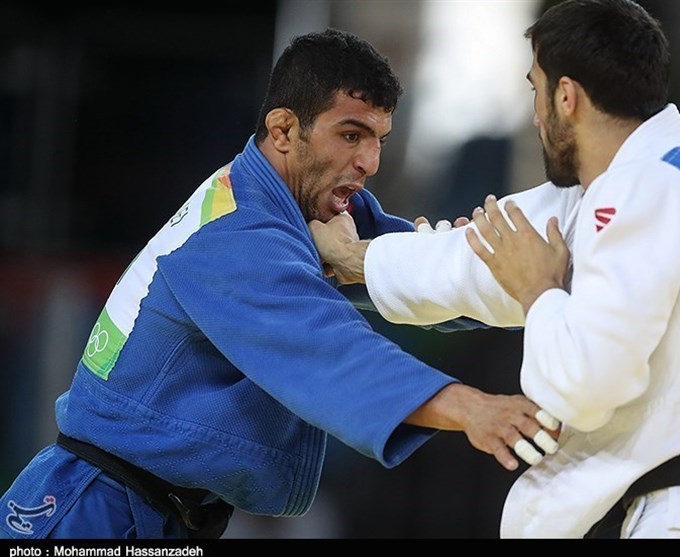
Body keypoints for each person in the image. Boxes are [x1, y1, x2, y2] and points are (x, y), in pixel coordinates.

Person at [0, 28, 560, 540]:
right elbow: (331, 351)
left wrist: (537, 282)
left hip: (161, 513)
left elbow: (421, 273)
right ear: (285, 129)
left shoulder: (311, 205)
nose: (369, 161)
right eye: (350, 134)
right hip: (91, 508)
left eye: (379, 139)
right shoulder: (238, 231)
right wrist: (472, 409)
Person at [310, 0, 680, 539]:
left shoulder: (646, 193)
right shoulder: (641, 178)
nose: (536, 114)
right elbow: (486, 253)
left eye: (535, 88)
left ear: (566, 96)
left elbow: (584, 388)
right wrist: (358, 258)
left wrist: (540, 292)